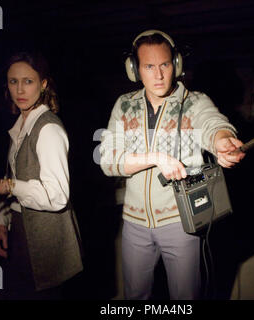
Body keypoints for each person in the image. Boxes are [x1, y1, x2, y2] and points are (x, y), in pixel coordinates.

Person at [99, 30, 245, 300]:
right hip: (134, 225)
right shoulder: (124, 105)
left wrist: (223, 141)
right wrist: (155, 158)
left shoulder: (195, 102)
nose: (158, 75)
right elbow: (108, 160)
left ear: (176, 65)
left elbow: (213, 123)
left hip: (180, 223)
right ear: (134, 69)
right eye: (149, 66)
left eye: (165, 65)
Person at [0, 52, 83, 299]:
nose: (19, 89)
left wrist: (8, 186)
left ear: (43, 84)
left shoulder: (48, 128)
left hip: (46, 242)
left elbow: (57, 196)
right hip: (21, 233)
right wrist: (2, 222)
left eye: (28, 81)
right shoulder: (20, 125)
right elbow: (12, 181)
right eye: (13, 81)